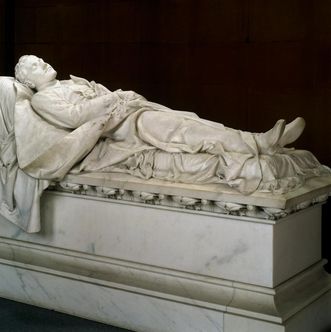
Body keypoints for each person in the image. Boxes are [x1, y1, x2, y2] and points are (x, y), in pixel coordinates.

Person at [13, 55, 326, 194]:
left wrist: (120, 98)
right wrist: (111, 100)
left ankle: (255, 140)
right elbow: (75, 117)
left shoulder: (69, 82)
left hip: (129, 112)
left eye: (41, 59)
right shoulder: (44, 100)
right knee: (184, 132)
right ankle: (258, 142)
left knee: (190, 122)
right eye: (36, 65)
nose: (44, 63)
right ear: (28, 80)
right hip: (120, 126)